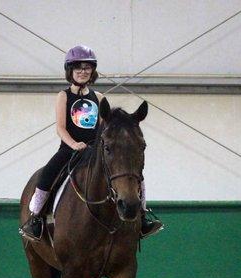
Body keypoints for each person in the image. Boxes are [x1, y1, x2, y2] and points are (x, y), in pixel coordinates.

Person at [20, 45, 163, 241]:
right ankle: (35, 219)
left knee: (135, 175)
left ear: (92, 71)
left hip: (95, 149)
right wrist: (74, 144)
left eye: (87, 68)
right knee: (47, 174)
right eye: (78, 68)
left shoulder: (98, 97)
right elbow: (60, 128)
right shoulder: (64, 96)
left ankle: (143, 217)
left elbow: (104, 127)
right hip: (70, 148)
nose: (82, 71)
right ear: (70, 71)